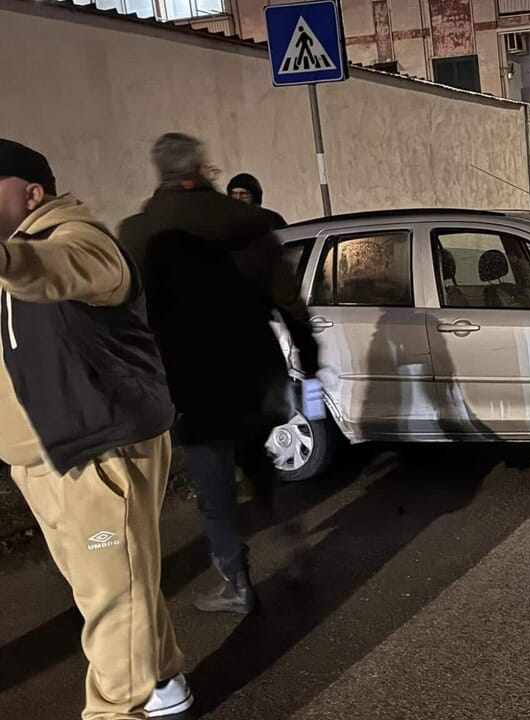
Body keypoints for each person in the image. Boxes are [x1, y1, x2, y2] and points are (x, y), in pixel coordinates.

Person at [0, 139, 192, 718]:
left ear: (31, 193)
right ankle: (161, 681)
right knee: (111, 585)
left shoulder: (80, 240)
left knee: (115, 597)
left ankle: (116, 711)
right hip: (42, 454)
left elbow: (56, 272)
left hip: (98, 446)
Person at [119, 133, 320, 615]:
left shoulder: (140, 231)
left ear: (160, 172)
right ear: (202, 168)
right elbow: (288, 297)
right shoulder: (247, 221)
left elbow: (131, 314)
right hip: (255, 365)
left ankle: (236, 581)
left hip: (190, 374)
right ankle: (294, 546)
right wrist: (309, 353)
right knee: (260, 462)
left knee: (214, 483)